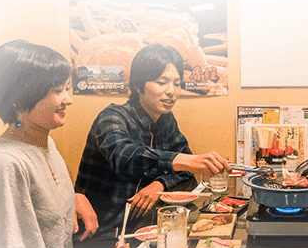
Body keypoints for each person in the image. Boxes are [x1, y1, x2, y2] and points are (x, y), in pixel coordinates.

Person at [0, 40, 131, 248]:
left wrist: (74, 197)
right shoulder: (4, 164)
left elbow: (51, 179)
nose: (67, 99)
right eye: (57, 91)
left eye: (67, 89)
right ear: (20, 99)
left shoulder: (44, 143)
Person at [75, 43, 230, 237]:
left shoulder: (165, 120)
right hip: (103, 232)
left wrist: (159, 184)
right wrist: (184, 161)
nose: (171, 91)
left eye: (177, 83)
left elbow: (186, 173)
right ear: (138, 85)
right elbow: (123, 156)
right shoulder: (113, 117)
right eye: (161, 82)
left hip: (143, 228)